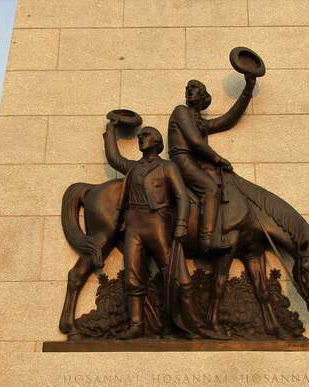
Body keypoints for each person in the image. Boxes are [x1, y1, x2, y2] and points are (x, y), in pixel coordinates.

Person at [103, 118, 225, 339]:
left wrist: (180, 225)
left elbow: (182, 198)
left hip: (158, 223)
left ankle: (189, 324)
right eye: (140, 136)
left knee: (177, 275)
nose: (140, 138)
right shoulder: (133, 168)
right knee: (132, 275)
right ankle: (136, 324)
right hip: (134, 225)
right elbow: (114, 158)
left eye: (145, 135)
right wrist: (110, 130)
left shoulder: (168, 167)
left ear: (157, 141)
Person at [167, 75, 256, 253]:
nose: (189, 91)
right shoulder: (181, 111)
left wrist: (248, 88)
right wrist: (218, 159)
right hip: (182, 160)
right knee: (211, 190)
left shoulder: (200, 123)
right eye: (188, 88)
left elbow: (228, 119)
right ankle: (206, 240)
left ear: (203, 98)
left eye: (195, 88)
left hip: (194, 162)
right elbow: (195, 142)